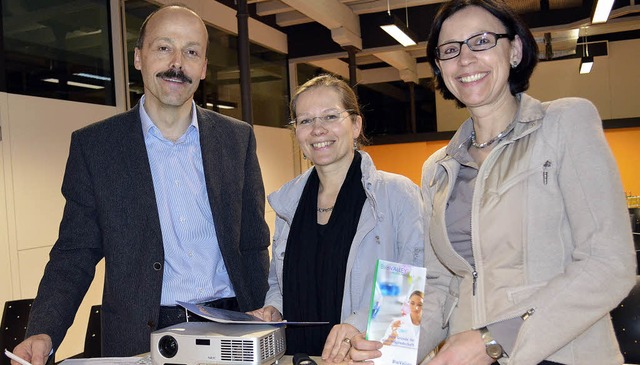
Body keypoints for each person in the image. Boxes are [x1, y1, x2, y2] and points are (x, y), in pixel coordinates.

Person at [350, 0, 636, 364]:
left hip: (563, 353)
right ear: (440, 67)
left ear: (514, 49)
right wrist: (381, 351)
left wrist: (491, 339)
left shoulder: (565, 122)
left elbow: (608, 263)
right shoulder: (437, 167)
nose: (465, 59)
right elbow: (438, 284)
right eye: (450, 50)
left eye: (482, 41)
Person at [11, 4, 270, 364]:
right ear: (138, 57)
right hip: (141, 338)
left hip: (234, 331)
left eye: (192, 52)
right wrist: (44, 330)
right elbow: (75, 253)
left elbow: (254, 243)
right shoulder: (96, 147)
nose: (177, 63)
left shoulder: (237, 140)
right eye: (164, 47)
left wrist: (267, 311)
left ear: (204, 67)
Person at [247, 74, 425, 363]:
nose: (317, 130)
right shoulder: (288, 202)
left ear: (355, 125)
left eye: (330, 116)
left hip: (363, 357)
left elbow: (413, 287)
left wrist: (358, 323)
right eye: (305, 121)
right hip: (298, 356)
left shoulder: (396, 195)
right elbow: (278, 283)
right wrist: (274, 308)